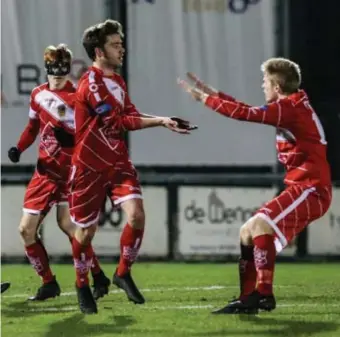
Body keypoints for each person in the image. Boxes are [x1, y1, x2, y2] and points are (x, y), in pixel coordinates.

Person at [178, 58, 332, 314]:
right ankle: (248, 297)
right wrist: (216, 94)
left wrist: (205, 100)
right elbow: (248, 108)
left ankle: (263, 294)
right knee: (247, 232)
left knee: (261, 226)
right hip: (304, 188)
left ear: (276, 85)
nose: (263, 86)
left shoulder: (289, 108)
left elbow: (245, 114)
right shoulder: (291, 106)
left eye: (265, 82)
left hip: (311, 189)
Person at [70, 19, 196, 314]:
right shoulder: (91, 84)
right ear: (99, 51)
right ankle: (81, 285)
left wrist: (164, 119)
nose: (122, 49)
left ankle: (122, 273)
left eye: (121, 44)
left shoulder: (118, 81)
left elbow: (130, 114)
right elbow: (118, 122)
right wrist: (160, 121)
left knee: (137, 215)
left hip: (117, 162)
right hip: (89, 167)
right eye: (115, 45)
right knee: (85, 234)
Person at [8, 44, 110, 302]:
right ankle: (50, 283)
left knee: (68, 224)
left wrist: (71, 139)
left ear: (67, 70)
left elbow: (89, 136)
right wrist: (19, 148)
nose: (57, 74)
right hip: (44, 173)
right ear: (46, 70)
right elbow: (32, 127)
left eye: (61, 69)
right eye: (52, 69)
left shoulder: (78, 98)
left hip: (70, 174)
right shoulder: (38, 94)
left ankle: (94, 275)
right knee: (25, 230)